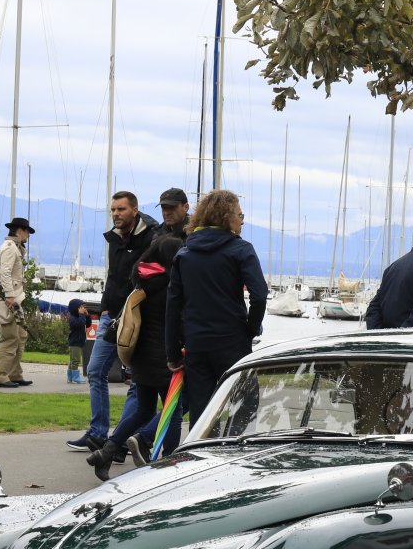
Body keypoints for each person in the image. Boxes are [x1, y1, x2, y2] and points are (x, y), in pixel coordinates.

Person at [165, 189, 268, 429]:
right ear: (226, 217)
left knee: (202, 413)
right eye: (240, 216)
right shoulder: (241, 250)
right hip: (233, 341)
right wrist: (250, 329)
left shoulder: (184, 253)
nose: (242, 221)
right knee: (244, 406)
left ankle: (202, 450)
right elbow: (259, 296)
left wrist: (172, 352)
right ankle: (235, 448)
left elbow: (173, 306)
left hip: (197, 344)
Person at [69, 191, 161, 451]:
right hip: (111, 315)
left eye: (121, 209)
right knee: (95, 370)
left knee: (137, 382)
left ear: (134, 210)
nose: (116, 214)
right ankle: (98, 433)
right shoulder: (114, 237)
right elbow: (113, 276)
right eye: (113, 210)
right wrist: (105, 307)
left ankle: (122, 439)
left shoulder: (152, 236)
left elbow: (147, 278)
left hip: (136, 318)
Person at [88, 233, 185, 478]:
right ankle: (169, 463)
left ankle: (106, 452)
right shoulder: (171, 286)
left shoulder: (142, 282)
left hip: (141, 357)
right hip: (165, 358)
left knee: (143, 409)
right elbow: (177, 323)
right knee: (173, 411)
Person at [0, 217, 35, 388]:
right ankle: (0, 377)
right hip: (9, 300)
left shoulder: (15, 248)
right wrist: (9, 296)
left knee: (21, 336)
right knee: (10, 338)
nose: (28, 235)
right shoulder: (10, 248)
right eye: (27, 232)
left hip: (15, 299)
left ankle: (14, 373)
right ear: (20, 231)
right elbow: (5, 273)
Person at [65, 297, 88, 385]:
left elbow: (87, 324)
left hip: (78, 342)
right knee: (75, 360)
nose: (83, 308)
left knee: (73, 360)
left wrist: (87, 316)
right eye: (81, 307)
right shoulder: (73, 318)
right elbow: (80, 324)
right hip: (75, 342)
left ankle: (70, 377)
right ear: (76, 308)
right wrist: (82, 315)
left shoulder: (80, 317)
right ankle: (75, 378)